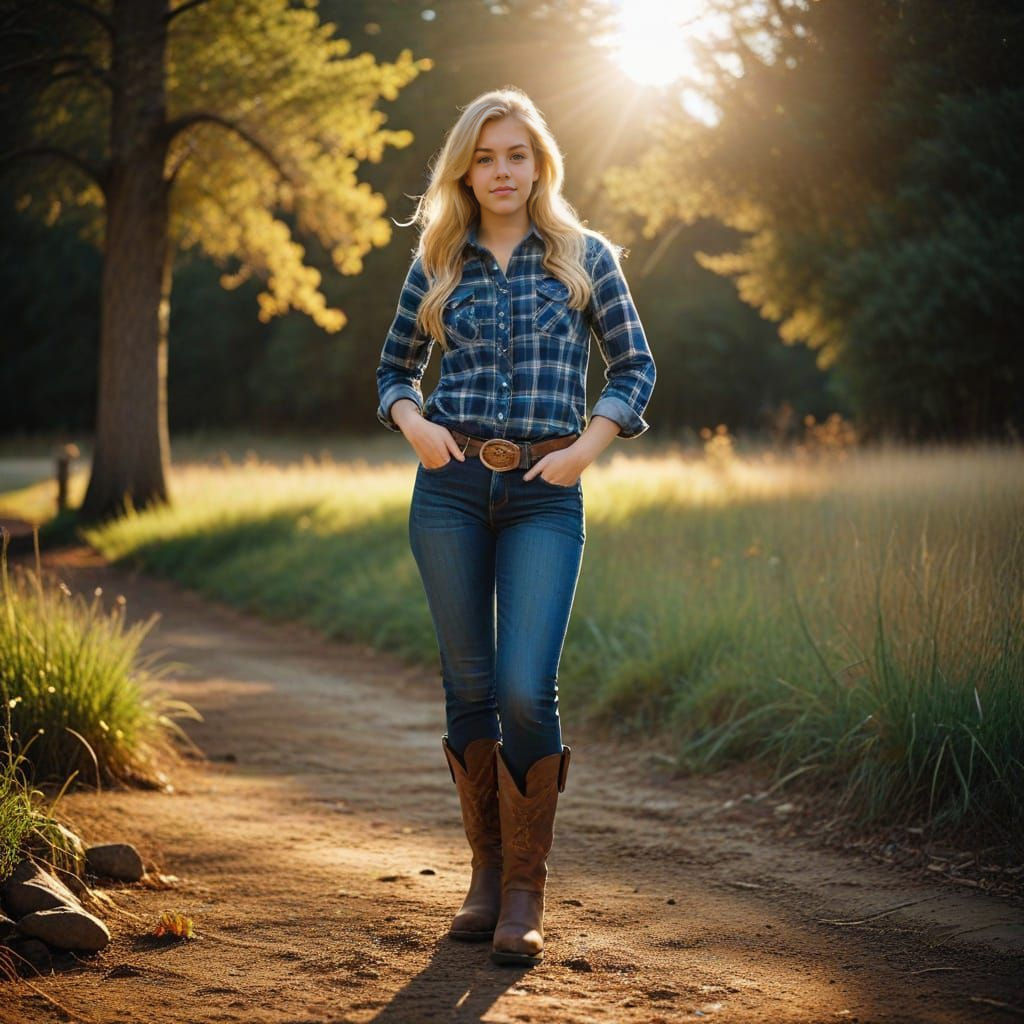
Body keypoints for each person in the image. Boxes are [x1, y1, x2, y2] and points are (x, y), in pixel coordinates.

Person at [374, 87, 656, 967]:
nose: (502, 171)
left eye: (517, 155)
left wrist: (587, 449)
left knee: (528, 688)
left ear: (540, 165)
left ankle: (528, 888)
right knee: (469, 686)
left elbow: (635, 365)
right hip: (450, 489)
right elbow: (393, 369)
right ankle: (487, 880)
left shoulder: (585, 255)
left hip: (545, 491)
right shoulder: (437, 259)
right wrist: (415, 425)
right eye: (485, 157)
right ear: (465, 171)